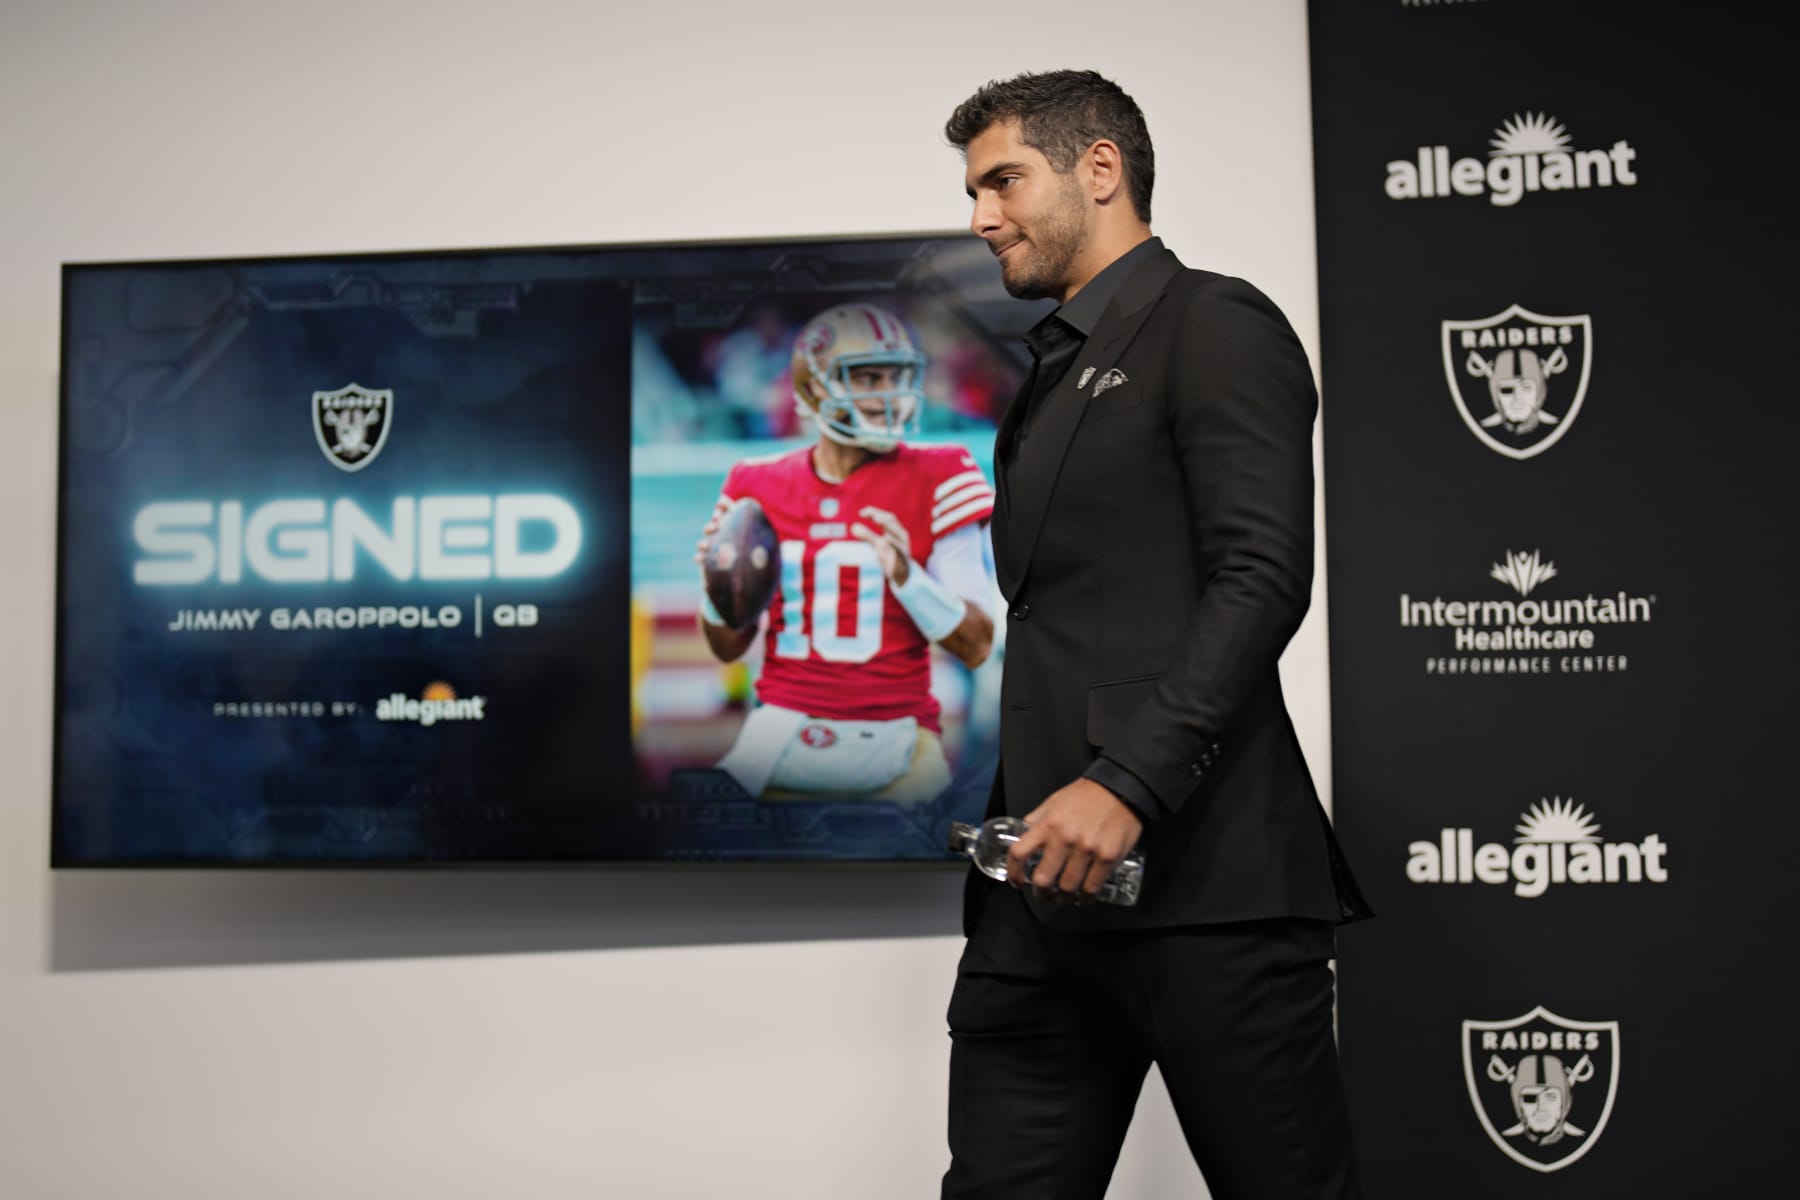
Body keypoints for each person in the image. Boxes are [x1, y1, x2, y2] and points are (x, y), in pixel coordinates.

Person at [940, 70, 1370, 1198]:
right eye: (973, 189)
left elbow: (1263, 575)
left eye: (1002, 181)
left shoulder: (1217, 322)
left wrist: (1125, 782)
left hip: (1211, 891)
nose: (980, 216)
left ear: (1099, 168)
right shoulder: (1049, 369)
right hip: (1037, 901)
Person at [693, 302, 998, 803]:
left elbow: (977, 645)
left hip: (899, 734)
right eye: (867, 379)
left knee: (929, 858)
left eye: (896, 377)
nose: (889, 397)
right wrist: (717, 590)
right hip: (780, 734)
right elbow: (726, 647)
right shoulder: (755, 483)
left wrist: (908, 579)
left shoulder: (941, 472)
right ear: (815, 388)